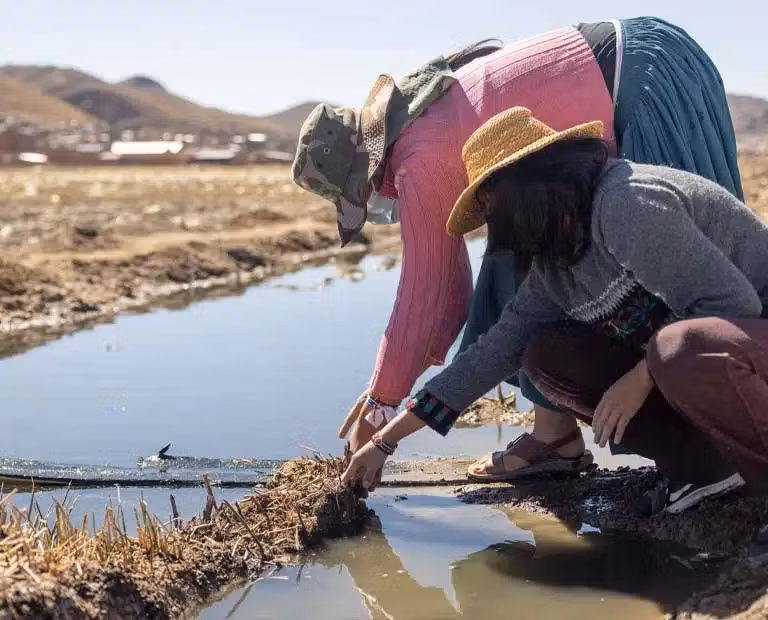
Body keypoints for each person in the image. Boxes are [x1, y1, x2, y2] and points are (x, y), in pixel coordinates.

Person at [292, 17, 743, 482]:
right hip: (645, 63)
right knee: (537, 322)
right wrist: (388, 437)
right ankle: (570, 437)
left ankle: (724, 448)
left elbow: (429, 296)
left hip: (646, 79)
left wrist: (381, 402)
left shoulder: (624, 204)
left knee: (682, 287)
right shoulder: (430, 121)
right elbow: (495, 349)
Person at [341, 107, 768, 527]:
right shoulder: (556, 264)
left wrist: (641, 377)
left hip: (752, 344)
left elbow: (731, 306)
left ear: (526, 187)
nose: (493, 222)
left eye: (491, 204)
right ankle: (705, 468)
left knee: (671, 349)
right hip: (706, 364)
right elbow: (488, 356)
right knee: (547, 358)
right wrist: (384, 442)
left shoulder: (626, 204)